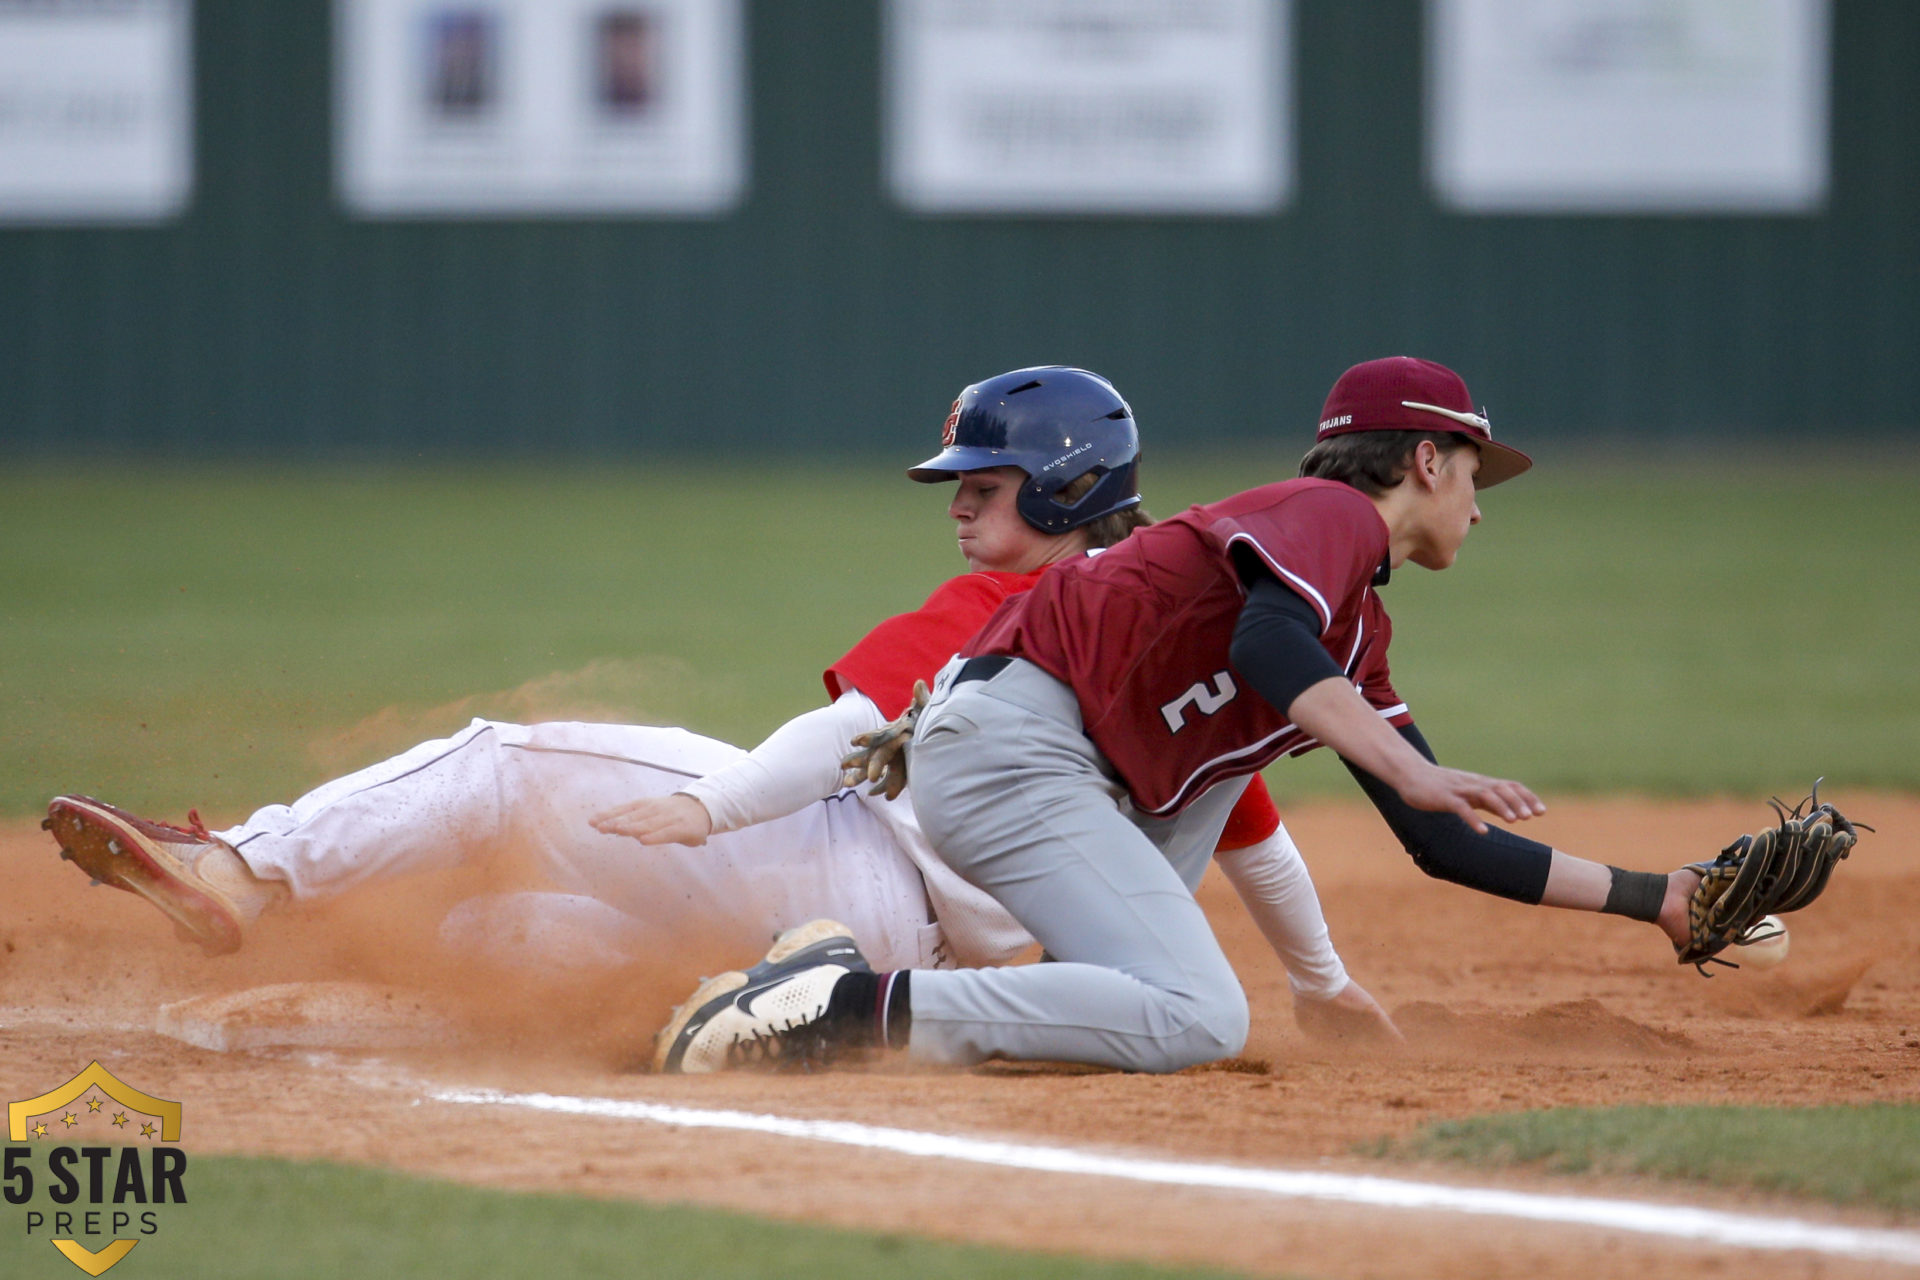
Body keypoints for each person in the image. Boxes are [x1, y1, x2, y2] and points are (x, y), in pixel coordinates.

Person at [44, 366, 1392, 1040]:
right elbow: (1252, 826)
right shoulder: (1177, 633)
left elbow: (842, 741)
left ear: (1062, 491)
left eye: (982, 487)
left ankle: (243, 875)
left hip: (845, 875)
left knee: (508, 768)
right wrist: (1324, 986)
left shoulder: (1024, 612)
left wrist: (715, 805)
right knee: (513, 931)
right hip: (912, 962)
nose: (961, 507)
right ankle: (355, 992)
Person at [653, 356, 1704, 1075]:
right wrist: (1405, 760)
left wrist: (1658, 897)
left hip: (1038, 754)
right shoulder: (1326, 516)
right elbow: (1265, 648)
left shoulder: (1350, 629)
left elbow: (1443, 843)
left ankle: (953, 1005)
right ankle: (832, 1012)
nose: (1477, 505)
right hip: (1012, 745)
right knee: (1202, 1014)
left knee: (1193, 823)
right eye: (1474, 474)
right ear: (1426, 460)